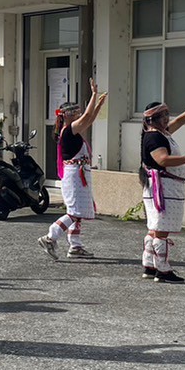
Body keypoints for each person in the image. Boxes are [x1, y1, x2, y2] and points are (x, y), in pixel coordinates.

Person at [138, 89, 185, 283]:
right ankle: (163, 269)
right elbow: (163, 160)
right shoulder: (154, 137)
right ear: (153, 119)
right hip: (162, 187)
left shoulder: (160, 133)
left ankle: (150, 265)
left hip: (161, 186)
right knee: (161, 228)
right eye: (164, 116)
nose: (167, 119)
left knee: (155, 228)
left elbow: (178, 123)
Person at [38, 78, 107, 261]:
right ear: (67, 115)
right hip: (75, 175)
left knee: (79, 210)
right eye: (75, 112)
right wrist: (94, 95)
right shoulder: (69, 130)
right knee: (74, 211)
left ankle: (75, 245)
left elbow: (89, 119)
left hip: (79, 173)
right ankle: (51, 236)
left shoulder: (72, 129)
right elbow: (86, 118)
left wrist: (98, 104)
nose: (78, 114)